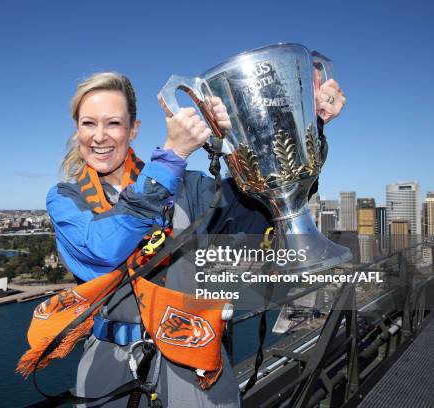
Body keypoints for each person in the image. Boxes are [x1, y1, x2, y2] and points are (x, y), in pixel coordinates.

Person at [39, 72, 345, 407]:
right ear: (77, 130)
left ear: (133, 129)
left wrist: (308, 124)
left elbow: (262, 207)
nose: (99, 136)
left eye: (113, 123)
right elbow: (104, 248)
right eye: (88, 123)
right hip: (111, 370)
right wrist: (172, 155)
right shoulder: (65, 199)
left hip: (194, 365)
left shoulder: (188, 186)